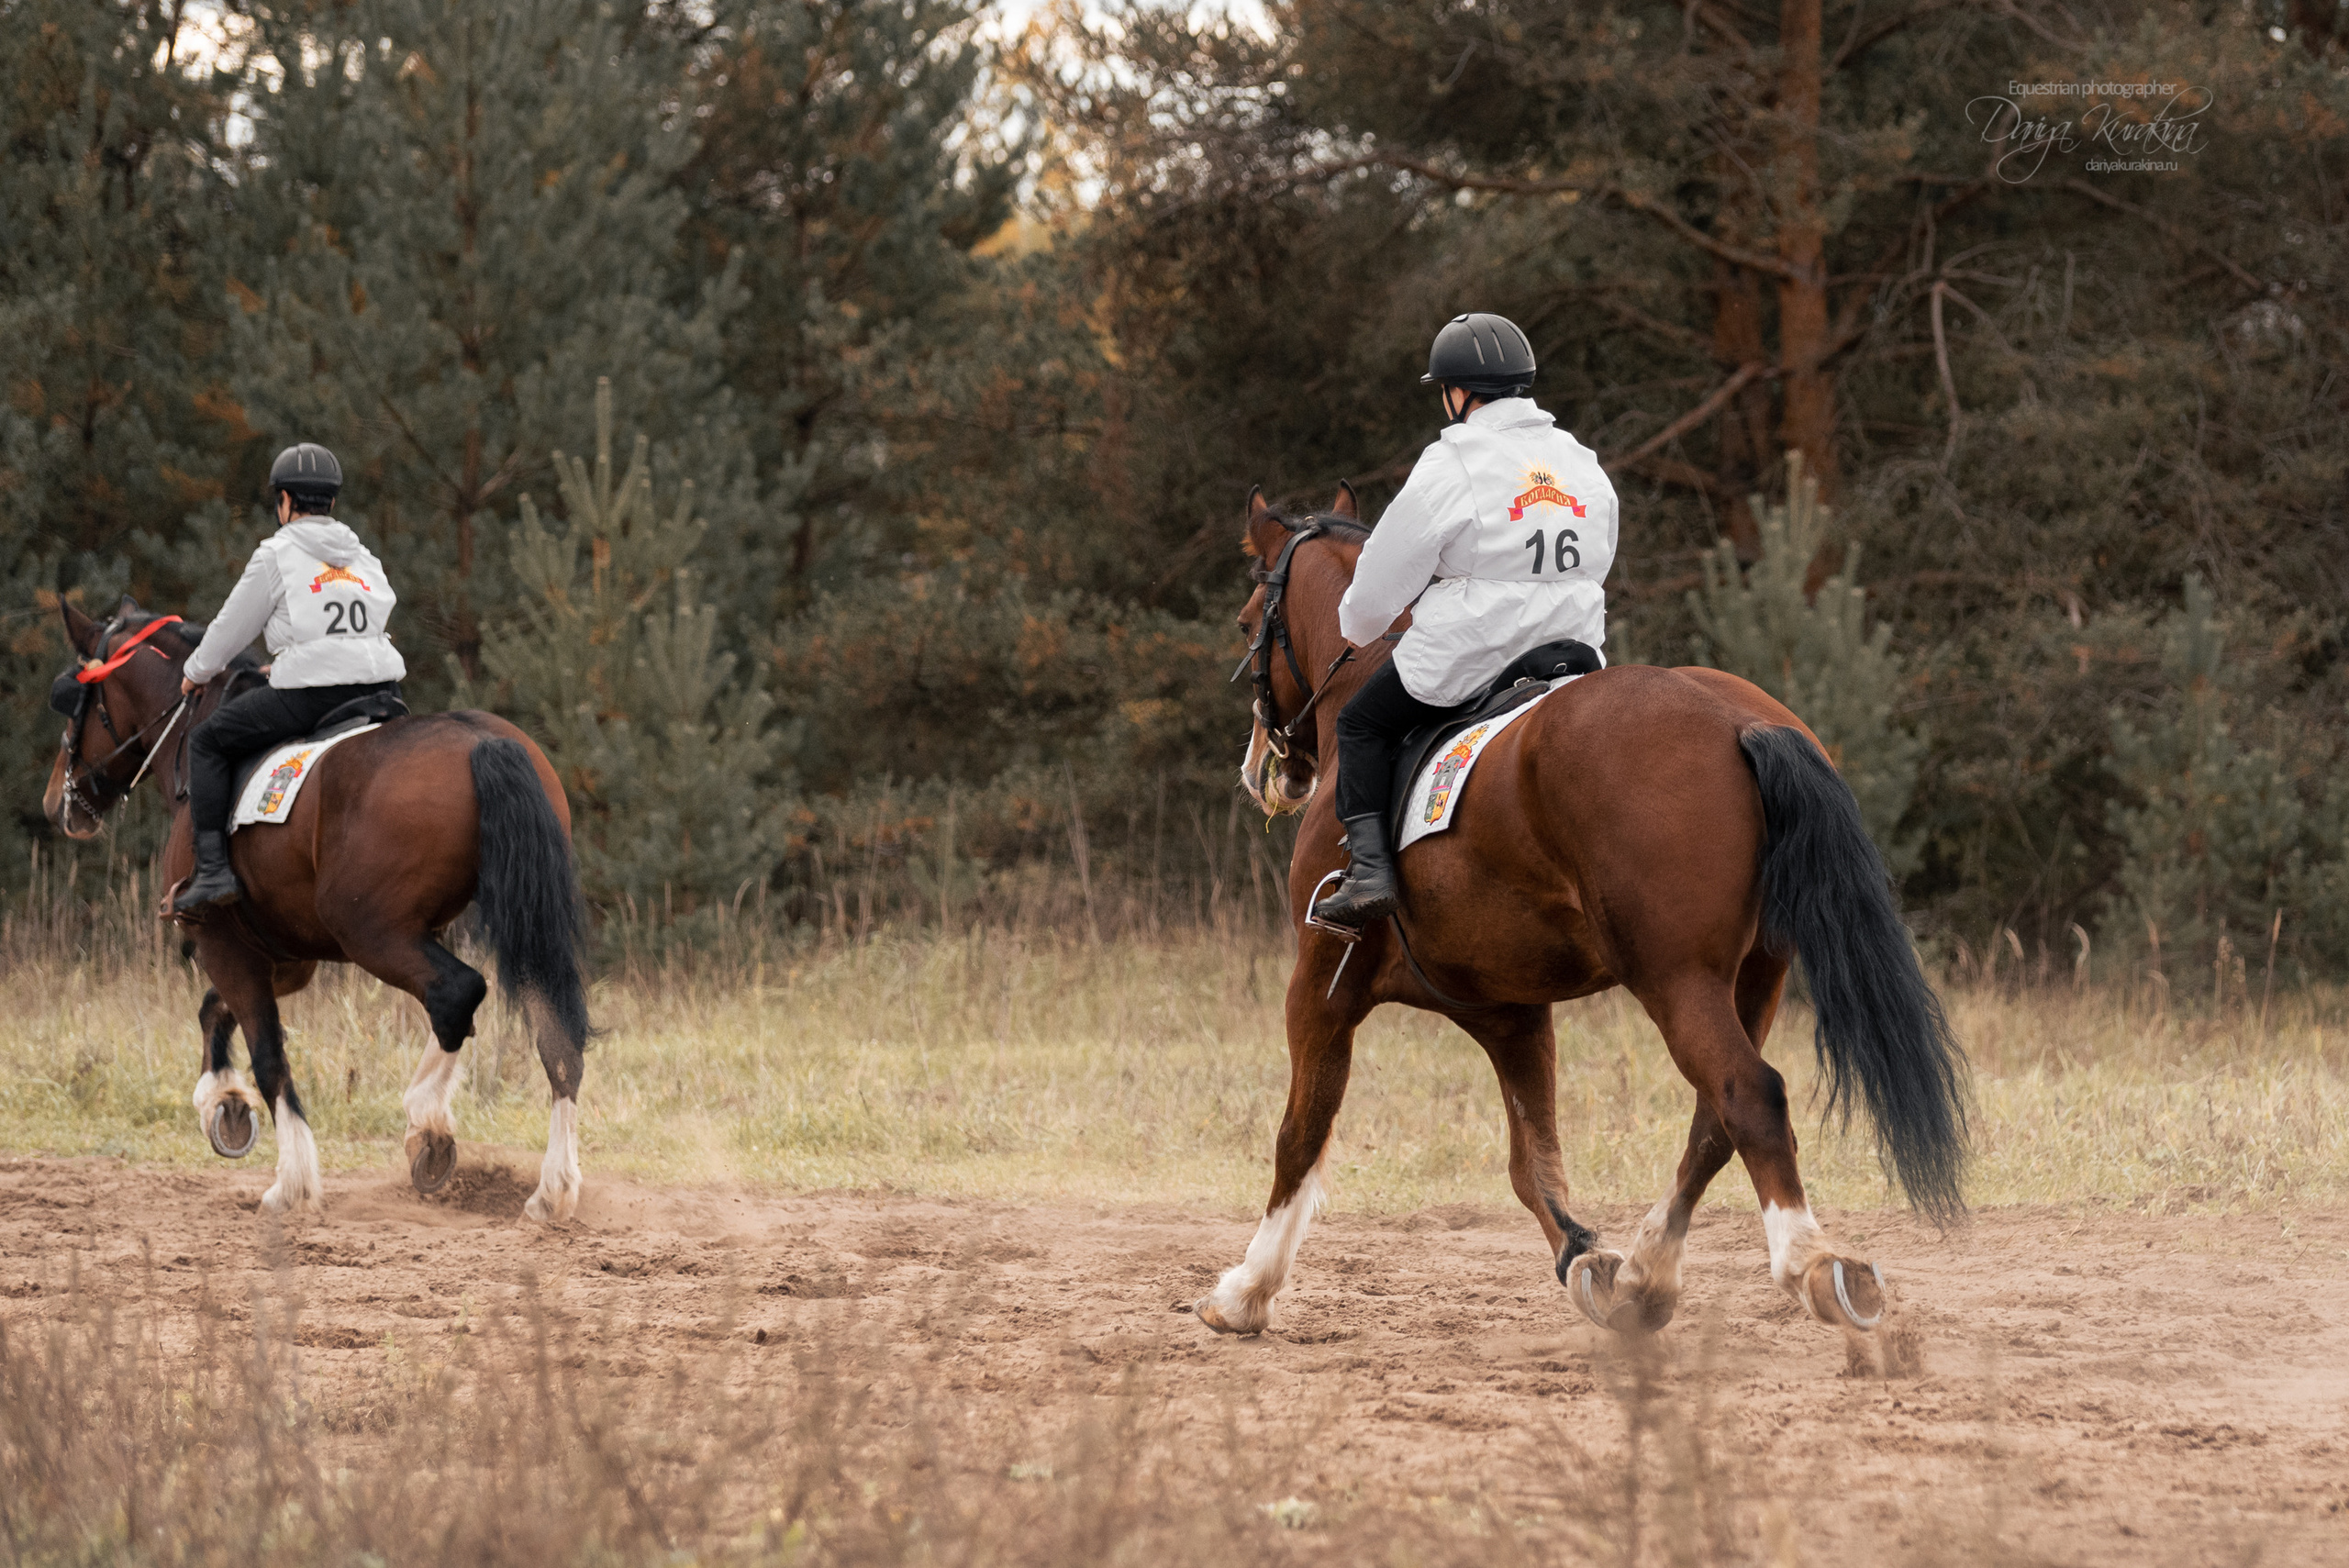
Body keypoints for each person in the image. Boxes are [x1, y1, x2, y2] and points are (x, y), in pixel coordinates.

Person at [1310, 312, 1619, 926]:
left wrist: (1357, 627)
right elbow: (1600, 555)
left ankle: (1371, 874)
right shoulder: (1581, 459)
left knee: (1362, 723)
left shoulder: (1451, 463)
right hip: (1571, 653)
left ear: (1458, 393)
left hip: (1475, 657)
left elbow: (1379, 582)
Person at [171, 442, 406, 915]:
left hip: (315, 696)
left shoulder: (276, 554)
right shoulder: (363, 556)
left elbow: (230, 629)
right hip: (384, 691)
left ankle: (214, 871)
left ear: (284, 503)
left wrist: (195, 673)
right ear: (332, 503)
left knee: (208, 743)